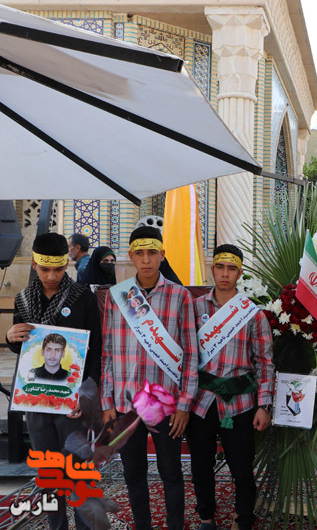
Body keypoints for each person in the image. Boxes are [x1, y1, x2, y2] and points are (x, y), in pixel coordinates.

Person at [100, 225, 199, 530]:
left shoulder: (180, 296)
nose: (146, 259)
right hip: (125, 402)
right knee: (133, 473)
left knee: (171, 472)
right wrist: (106, 401)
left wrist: (184, 404)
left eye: (152, 253)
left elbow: (191, 353)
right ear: (131, 256)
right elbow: (107, 352)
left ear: (162, 255)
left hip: (166, 403)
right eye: (140, 253)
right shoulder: (117, 296)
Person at [6, 232, 102, 530]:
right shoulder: (23, 299)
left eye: (58, 269)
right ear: (34, 265)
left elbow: (96, 351)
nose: (51, 276)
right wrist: (10, 337)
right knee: (49, 473)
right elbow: (22, 347)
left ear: (66, 265)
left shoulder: (82, 296)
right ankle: (56, 526)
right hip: (37, 400)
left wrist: (87, 395)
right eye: (45, 269)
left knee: (78, 470)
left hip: (72, 402)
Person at [187, 244, 273, 530]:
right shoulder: (194, 308)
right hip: (201, 401)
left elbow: (264, 363)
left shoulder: (252, 314)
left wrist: (264, 405)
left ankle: (244, 517)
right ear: (212, 269)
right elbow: (185, 356)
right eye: (220, 267)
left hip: (240, 404)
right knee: (201, 464)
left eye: (232, 268)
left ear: (240, 273)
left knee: (241, 466)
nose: (225, 274)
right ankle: (206, 517)